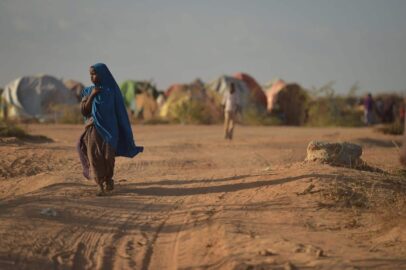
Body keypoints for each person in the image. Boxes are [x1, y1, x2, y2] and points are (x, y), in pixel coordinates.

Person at [77, 63, 143, 195]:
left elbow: (120, 113)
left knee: (108, 157)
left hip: (111, 130)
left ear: (102, 74)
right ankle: (99, 185)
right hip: (94, 129)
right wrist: (92, 96)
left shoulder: (112, 91)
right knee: (94, 156)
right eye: (90, 75)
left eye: (94, 74)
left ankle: (108, 179)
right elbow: (84, 111)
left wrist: (123, 130)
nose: (92, 77)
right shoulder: (88, 91)